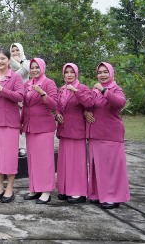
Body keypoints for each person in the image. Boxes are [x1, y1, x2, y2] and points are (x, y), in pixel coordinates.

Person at [85, 62, 130, 209]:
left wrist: (104, 90)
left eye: (105, 72)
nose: (102, 75)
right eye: (100, 72)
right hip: (95, 134)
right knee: (98, 167)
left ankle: (113, 197)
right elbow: (89, 105)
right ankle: (98, 194)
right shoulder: (95, 90)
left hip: (111, 134)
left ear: (111, 73)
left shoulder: (115, 89)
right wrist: (86, 112)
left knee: (112, 167)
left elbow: (120, 103)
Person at [0, 48, 25, 204]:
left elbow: (20, 96)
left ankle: (10, 187)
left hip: (9, 122)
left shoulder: (15, 77)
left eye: (3, 58)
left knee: (8, 157)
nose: (0, 61)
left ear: (9, 60)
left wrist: (3, 89)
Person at [22, 58, 58, 204]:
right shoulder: (27, 84)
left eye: (37, 67)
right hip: (30, 126)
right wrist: (21, 122)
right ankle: (35, 188)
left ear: (42, 67)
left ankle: (46, 190)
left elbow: (55, 104)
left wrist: (43, 93)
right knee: (33, 159)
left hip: (44, 126)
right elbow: (25, 106)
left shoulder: (48, 83)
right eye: (32, 68)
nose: (35, 70)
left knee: (45, 159)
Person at [56, 63, 93, 203]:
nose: (69, 74)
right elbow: (59, 106)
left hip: (77, 130)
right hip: (64, 129)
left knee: (77, 162)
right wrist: (57, 114)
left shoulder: (82, 87)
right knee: (65, 162)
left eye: (72, 72)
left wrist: (76, 91)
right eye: (67, 72)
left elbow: (89, 104)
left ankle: (78, 191)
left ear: (76, 73)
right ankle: (65, 189)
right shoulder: (62, 89)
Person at [10, 42, 29, 158]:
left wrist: (20, 62)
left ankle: (23, 147)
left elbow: (26, 70)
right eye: (13, 51)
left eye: (17, 50)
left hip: (25, 94)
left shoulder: (26, 62)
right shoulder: (8, 64)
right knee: (14, 122)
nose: (15, 53)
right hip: (12, 95)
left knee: (23, 120)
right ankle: (14, 146)